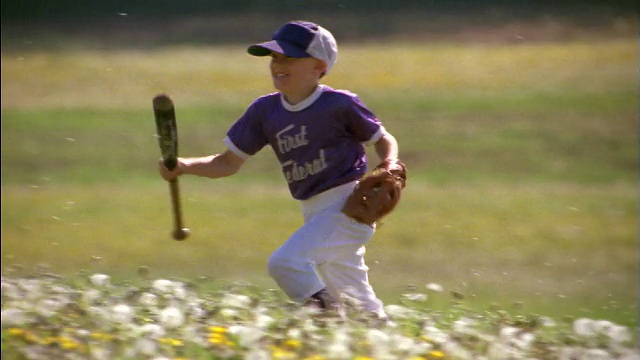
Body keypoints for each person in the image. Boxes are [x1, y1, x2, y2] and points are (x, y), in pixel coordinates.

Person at [159, 20, 401, 319]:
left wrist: (390, 163)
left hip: (349, 207)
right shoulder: (265, 111)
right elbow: (227, 163)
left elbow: (382, 139)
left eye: (289, 58)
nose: (277, 64)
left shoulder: (339, 104)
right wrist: (184, 166)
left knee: (285, 263)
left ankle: (329, 323)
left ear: (318, 66)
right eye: (274, 57)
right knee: (358, 302)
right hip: (313, 211)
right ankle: (382, 339)